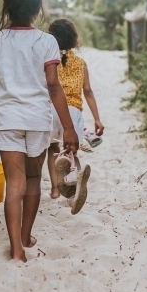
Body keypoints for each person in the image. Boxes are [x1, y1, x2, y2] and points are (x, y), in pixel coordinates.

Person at [0, 0, 78, 263]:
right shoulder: (46, 43)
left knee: (15, 184)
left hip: (8, 121)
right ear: (38, 8)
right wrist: (69, 128)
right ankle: (25, 236)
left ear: (7, 6)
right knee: (34, 180)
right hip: (37, 121)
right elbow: (53, 86)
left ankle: (16, 250)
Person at [46, 19, 105, 214]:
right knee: (71, 151)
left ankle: (55, 189)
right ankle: (73, 187)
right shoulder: (80, 63)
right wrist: (97, 118)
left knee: (52, 149)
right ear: (73, 40)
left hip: (51, 109)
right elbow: (88, 91)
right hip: (73, 112)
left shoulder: (47, 61)